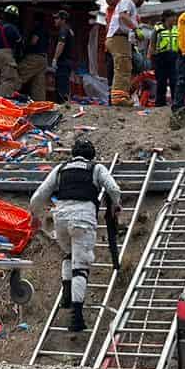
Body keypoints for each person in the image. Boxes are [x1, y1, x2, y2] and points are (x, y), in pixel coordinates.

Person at [28, 138, 122, 333]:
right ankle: (76, 317)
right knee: (81, 266)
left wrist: (35, 216)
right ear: (92, 154)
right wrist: (116, 204)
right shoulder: (95, 168)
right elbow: (113, 188)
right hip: (83, 218)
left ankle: (67, 296)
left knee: (69, 254)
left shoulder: (60, 169)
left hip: (60, 217)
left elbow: (38, 196)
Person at [106, 0, 148, 106]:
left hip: (122, 39)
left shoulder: (131, 6)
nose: (143, 2)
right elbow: (123, 16)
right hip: (117, 38)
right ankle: (118, 98)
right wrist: (136, 29)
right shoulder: (126, 1)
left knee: (126, 68)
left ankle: (122, 96)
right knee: (122, 68)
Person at [16, 6, 51, 100]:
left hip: (34, 57)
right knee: (38, 84)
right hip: (43, 58)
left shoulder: (38, 28)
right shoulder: (46, 29)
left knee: (18, 74)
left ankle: (7, 98)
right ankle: (39, 104)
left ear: (35, 20)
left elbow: (34, 41)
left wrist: (24, 47)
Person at [49, 9, 76, 104]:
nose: (55, 20)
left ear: (63, 20)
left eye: (57, 18)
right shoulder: (69, 29)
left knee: (61, 86)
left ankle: (63, 106)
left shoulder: (64, 30)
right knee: (63, 84)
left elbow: (61, 44)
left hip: (64, 62)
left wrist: (55, 59)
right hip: (68, 61)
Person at [152, 11, 179, 107]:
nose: (175, 19)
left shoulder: (177, 29)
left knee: (174, 81)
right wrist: (152, 58)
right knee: (161, 81)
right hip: (161, 57)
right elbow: (152, 44)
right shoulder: (158, 29)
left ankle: (176, 103)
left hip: (174, 57)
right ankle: (160, 103)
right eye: (173, 17)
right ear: (167, 18)